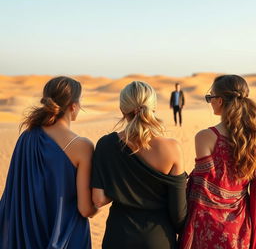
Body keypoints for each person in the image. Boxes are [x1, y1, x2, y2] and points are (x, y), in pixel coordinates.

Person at [0, 76, 97, 249]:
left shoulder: (26, 138)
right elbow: (85, 209)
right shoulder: (83, 146)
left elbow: (13, 193)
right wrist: (97, 206)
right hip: (67, 238)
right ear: (73, 106)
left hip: (27, 235)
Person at [91, 81, 187, 249]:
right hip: (158, 238)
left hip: (118, 237)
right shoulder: (172, 148)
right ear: (154, 107)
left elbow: (98, 200)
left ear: (122, 109)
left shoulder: (105, 144)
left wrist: (121, 190)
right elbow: (178, 215)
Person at [179, 75, 256, 249]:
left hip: (206, 228)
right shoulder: (252, 139)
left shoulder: (205, 137)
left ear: (220, 101)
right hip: (240, 228)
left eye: (210, 97)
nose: (210, 102)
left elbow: (202, 188)